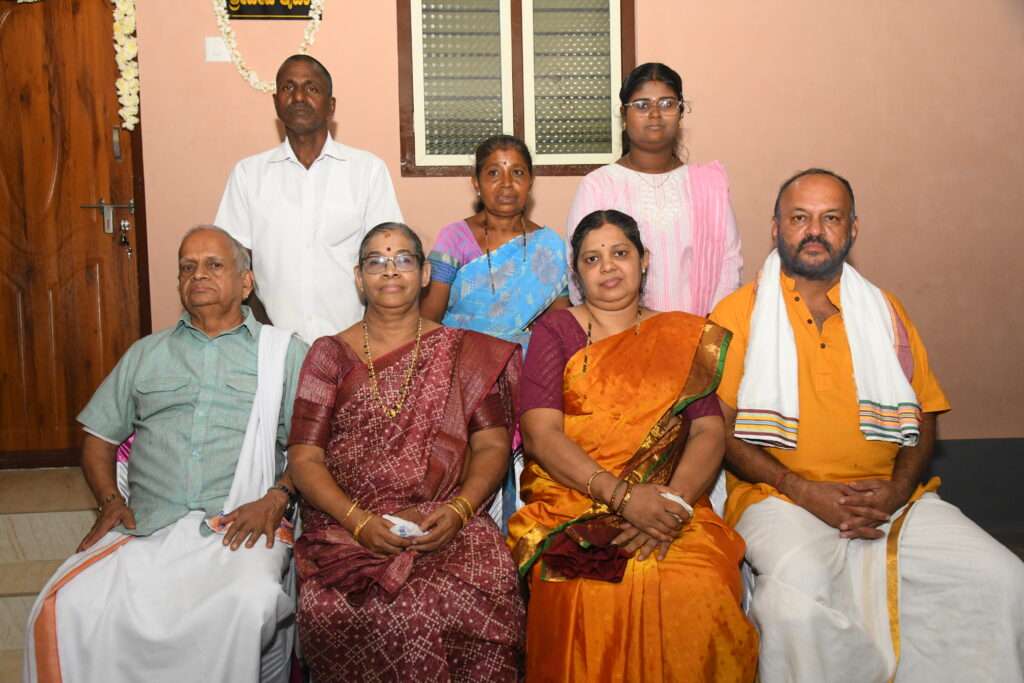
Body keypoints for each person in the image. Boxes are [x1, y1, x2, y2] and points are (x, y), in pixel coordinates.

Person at [710, 169, 1024, 682]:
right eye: (800, 218)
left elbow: (922, 415)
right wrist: (801, 490)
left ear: (852, 229)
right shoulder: (736, 313)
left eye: (831, 218)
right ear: (776, 228)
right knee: (796, 604)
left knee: (1002, 578)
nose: (815, 231)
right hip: (779, 499)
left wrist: (897, 490)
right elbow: (717, 429)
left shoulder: (884, 310)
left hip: (890, 500)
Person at [23, 226, 308, 683]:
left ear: (245, 283)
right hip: (149, 527)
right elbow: (97, 439)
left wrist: (277, 498)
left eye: (214, 265)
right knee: (68, 604)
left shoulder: (284, 355)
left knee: (247, 602)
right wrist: (109, 501)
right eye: (187, 267)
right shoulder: (146, 354)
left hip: (241, 526)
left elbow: (312, 449)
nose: (198, 275)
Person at [508, 209, 758, 682]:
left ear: (644, 260)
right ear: (577, 273)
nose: (608, 267)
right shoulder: (556, 331)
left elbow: (708, 431)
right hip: (575, 502)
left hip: (672, 502)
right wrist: (623, 498)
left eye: (620, 253)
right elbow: (541, 434)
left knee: (701, 583)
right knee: (586, 590)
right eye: (592, 258)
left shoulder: (683, 334)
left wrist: (672, 506)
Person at [287, 223, 525, 682]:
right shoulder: (328, 355)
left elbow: (492, 445)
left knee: (486, 579)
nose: (390, 270)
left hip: (446, 521)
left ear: (424, 275)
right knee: (331, 605)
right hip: (348, 528)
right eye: (376, 261)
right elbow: (304, 459)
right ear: (359, 278)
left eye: (403, 260)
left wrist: (459, 511)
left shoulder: (462, 351)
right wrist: (358, 521)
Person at [422, 134, 569, 528]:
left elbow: (560, 327)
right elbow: (430, 318)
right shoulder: (454, 238)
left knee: (528, 492)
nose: (506, 184)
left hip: (530, 379)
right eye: (493, 173)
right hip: (464, 379)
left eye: (517, 173)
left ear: (531, 181)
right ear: (476, 182)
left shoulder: (550, 245)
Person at [215, 54, 403, 343]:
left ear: (331, 105)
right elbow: (232, 265)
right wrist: (265, 334)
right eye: (288, 88)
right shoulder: (248, 175)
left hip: (353, 343)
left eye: (311, 88)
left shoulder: (368, 171)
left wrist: (368, 337)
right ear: (276, 102)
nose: (299, 97)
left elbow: (388, 258)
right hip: (271, 343)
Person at [566, 62, 742, 316]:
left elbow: (729, 264)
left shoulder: (709, 184)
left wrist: (710, 332)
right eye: (642, 105)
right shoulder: (598, 185)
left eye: (667, 103)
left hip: (699, 329)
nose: (655, 114)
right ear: (624, 115)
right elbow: (580, 270)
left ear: (680, 112)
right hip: (618, 333)